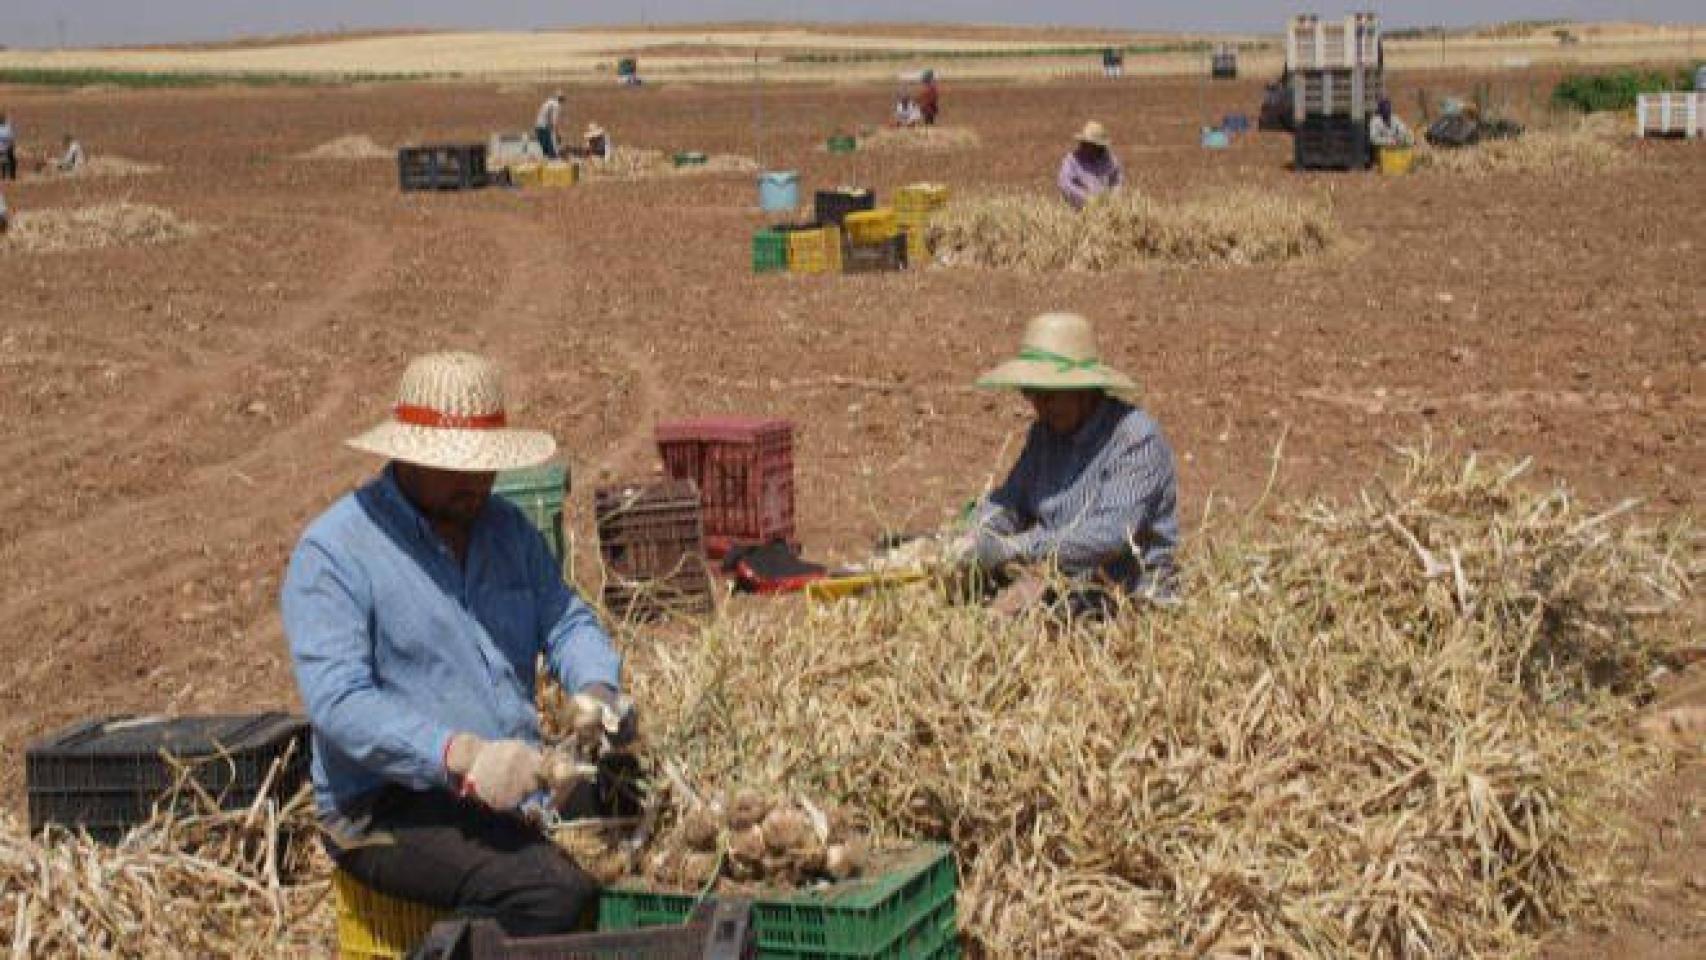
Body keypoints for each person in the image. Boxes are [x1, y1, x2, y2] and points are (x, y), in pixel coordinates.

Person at [282, 351, 632, 936]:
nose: (475, 483)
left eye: (484, 467)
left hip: (515, 785)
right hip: (388, 805)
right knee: (549, 894)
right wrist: (461, 755)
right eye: (455, 468)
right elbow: (339, 703)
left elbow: (566, 620)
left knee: (644, 828)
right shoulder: (336, 552)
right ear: (406, 456)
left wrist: (596, 690)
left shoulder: (507, 530)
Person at [962, 312, 1179, 618]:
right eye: (1031, 394)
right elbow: (1012, 501)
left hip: (1123, 605)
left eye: (1049, 397)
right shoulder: (1045, 435)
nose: (1038, 407)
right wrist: (976, 534)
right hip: (1055, 587)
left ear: (1085, 390)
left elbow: (1108, 536)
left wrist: (1010, 549)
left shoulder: (1135, 439)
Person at [1057, 121, 1123, 210]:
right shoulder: (1071, 160)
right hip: (1078, 210)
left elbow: (1117, 181)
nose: (1085, 146)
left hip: (1104, 209)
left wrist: (1112, 197)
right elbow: (1064, 184)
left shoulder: (1110, 160)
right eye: (1085, 143)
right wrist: (1086, 198)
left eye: (1092, 144)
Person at [534, 93, 564, 160]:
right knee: (552, 153)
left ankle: (547, 164)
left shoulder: (547, 102)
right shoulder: (556, 105)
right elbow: (554, 122)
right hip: (544, 128)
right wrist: (558, 134)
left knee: (546, 151)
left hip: (538, 127)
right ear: (560, 100)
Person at [0, 112, 16, 181]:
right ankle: (11, 176)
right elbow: (11, 138)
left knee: (9, 161)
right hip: (5, 148)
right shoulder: (6, 128)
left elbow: (11, 138)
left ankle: (7, 176)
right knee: (10, 161)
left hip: (5, 148)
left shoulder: (7, 127)